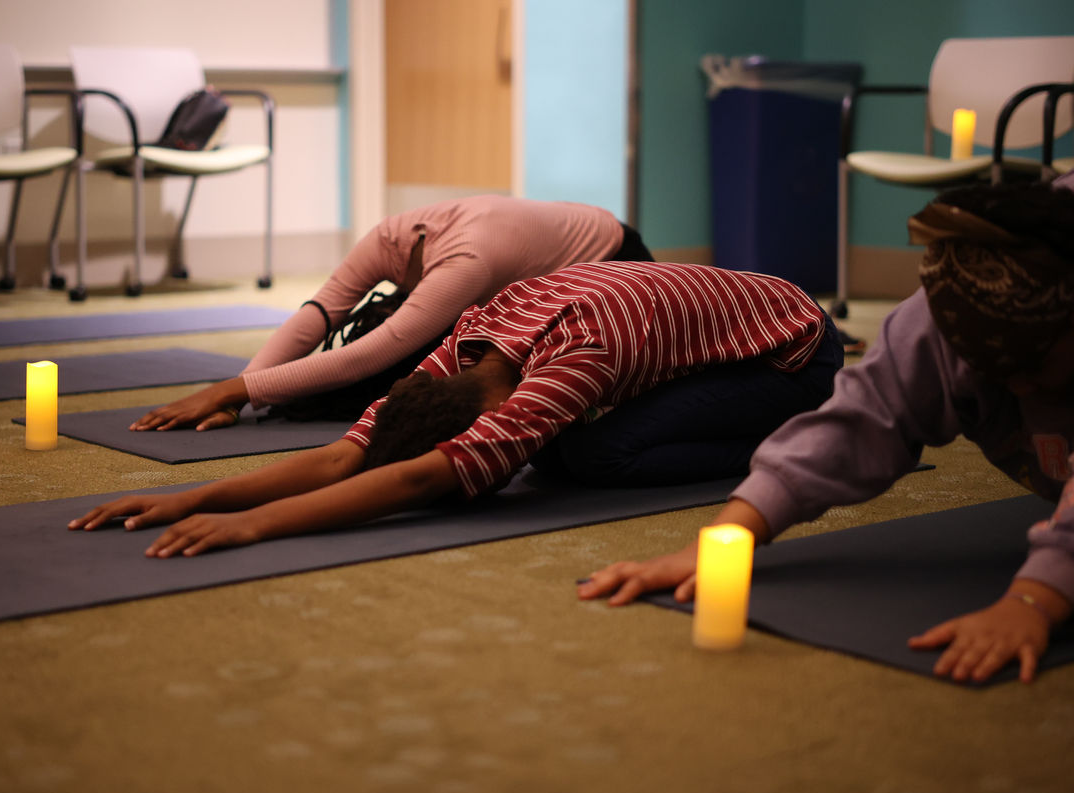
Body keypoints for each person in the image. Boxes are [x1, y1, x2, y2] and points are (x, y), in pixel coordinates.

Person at [579, 177, 1074, 685]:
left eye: (1034, 365)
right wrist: (726, 538)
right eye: (995, 371)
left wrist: (1036, 598)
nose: (1020, 386)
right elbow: (859, 421)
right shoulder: (940, 317)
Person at [72, 261, 842, 559]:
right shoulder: (468, 342)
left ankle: (798, 442)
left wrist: (253, 526)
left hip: (791, 350)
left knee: (590, 456)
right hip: (712, 324)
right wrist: (191, 496)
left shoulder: (579, 359)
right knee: (559, 451)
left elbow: (413, 483)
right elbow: (351, 453)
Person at [130, 196, 655, 432]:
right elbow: (320, 312)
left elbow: (369, 354)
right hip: (537, 244)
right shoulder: (391, 234)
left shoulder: (465, 263)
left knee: (389, 377)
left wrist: (231, 392)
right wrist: (240, 389)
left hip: (615, 256)